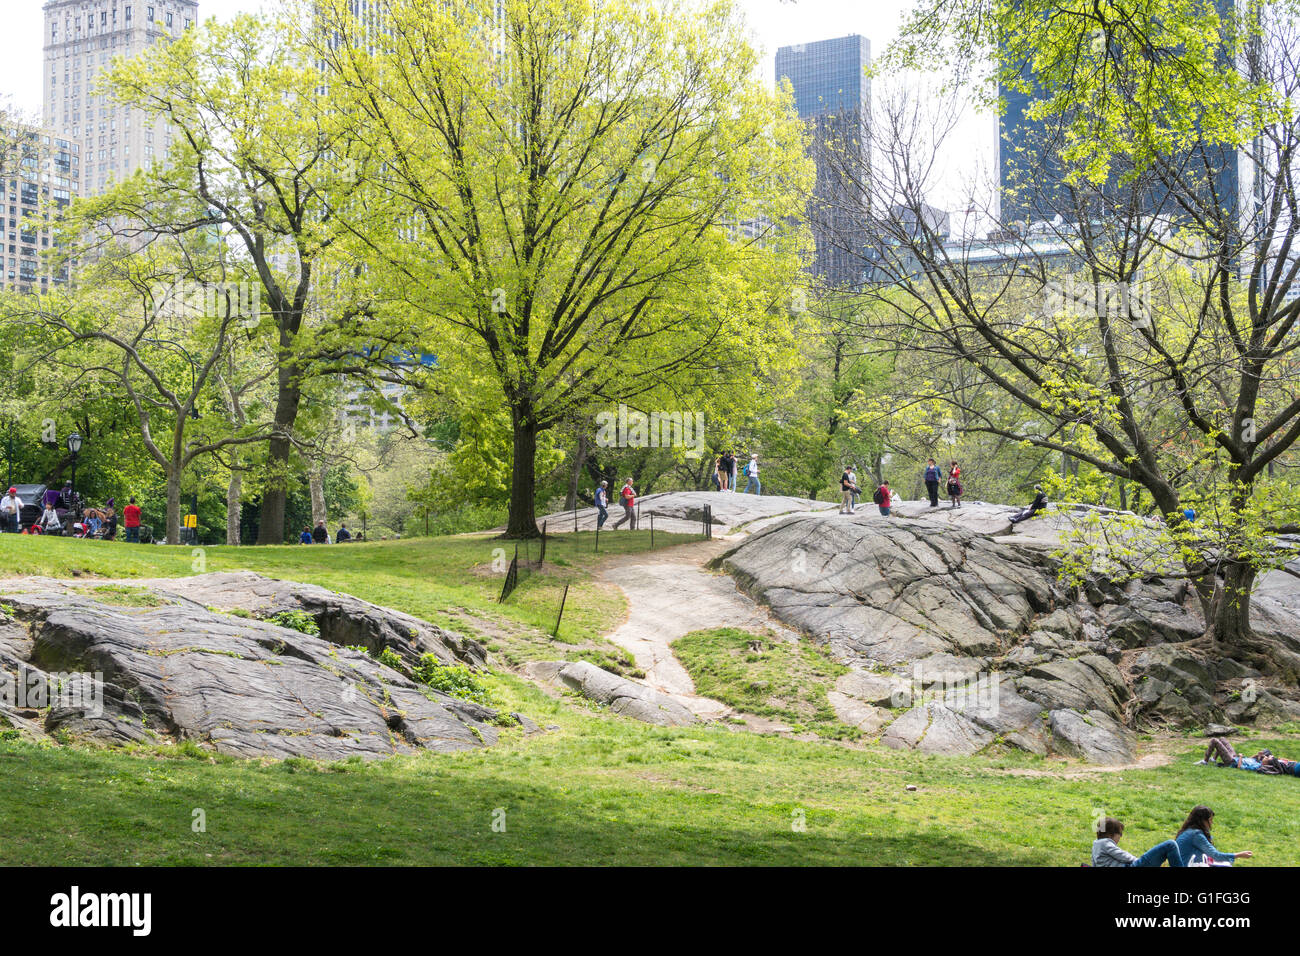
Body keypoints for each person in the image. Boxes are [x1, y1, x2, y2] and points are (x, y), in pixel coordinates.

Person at [1091, 816, 1185, 867]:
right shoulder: (1105, 844)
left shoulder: (1096, 845)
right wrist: (1139, 861)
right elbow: (1122, 855)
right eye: (1120, 834)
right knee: (1170, 845)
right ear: (1111, 834)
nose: (1120, 837)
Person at [1174, 806, 1252, 866]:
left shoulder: (1188, 831)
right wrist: (1239, 855)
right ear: (1203, 820)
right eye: (1210, 820)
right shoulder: (1196, 835)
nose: (1212, 823)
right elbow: (1215, 855)